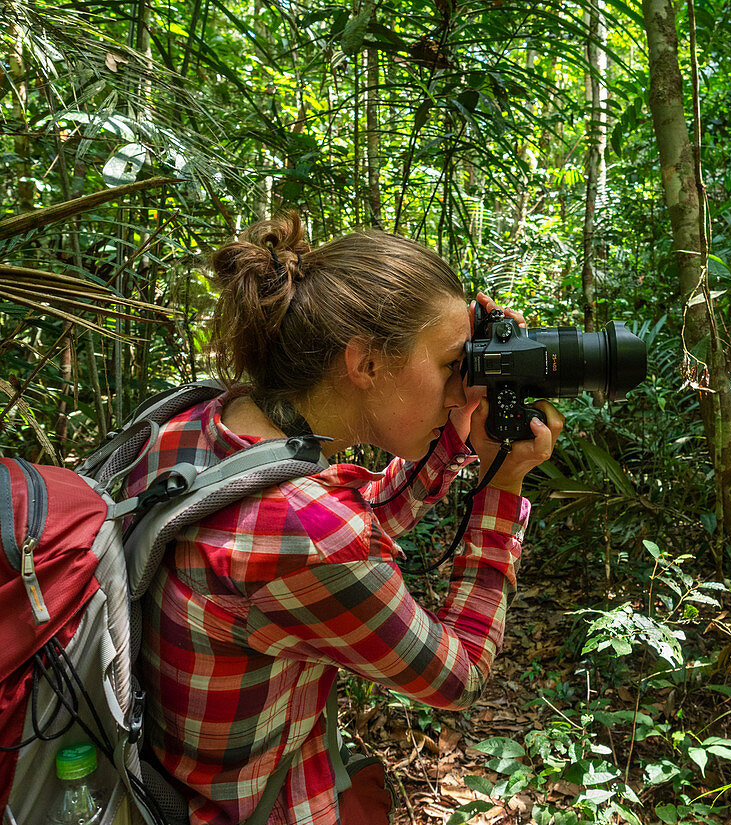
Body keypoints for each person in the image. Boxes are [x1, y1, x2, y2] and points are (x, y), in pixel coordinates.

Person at [125, 211, 563, 825]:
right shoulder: (311, 533)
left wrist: (461, 428)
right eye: (449, 367)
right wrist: (503, 490)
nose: (463, 389)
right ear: (366, 364)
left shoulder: (206, 422)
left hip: (162, 782)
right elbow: (456, 678)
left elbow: (362, 519)